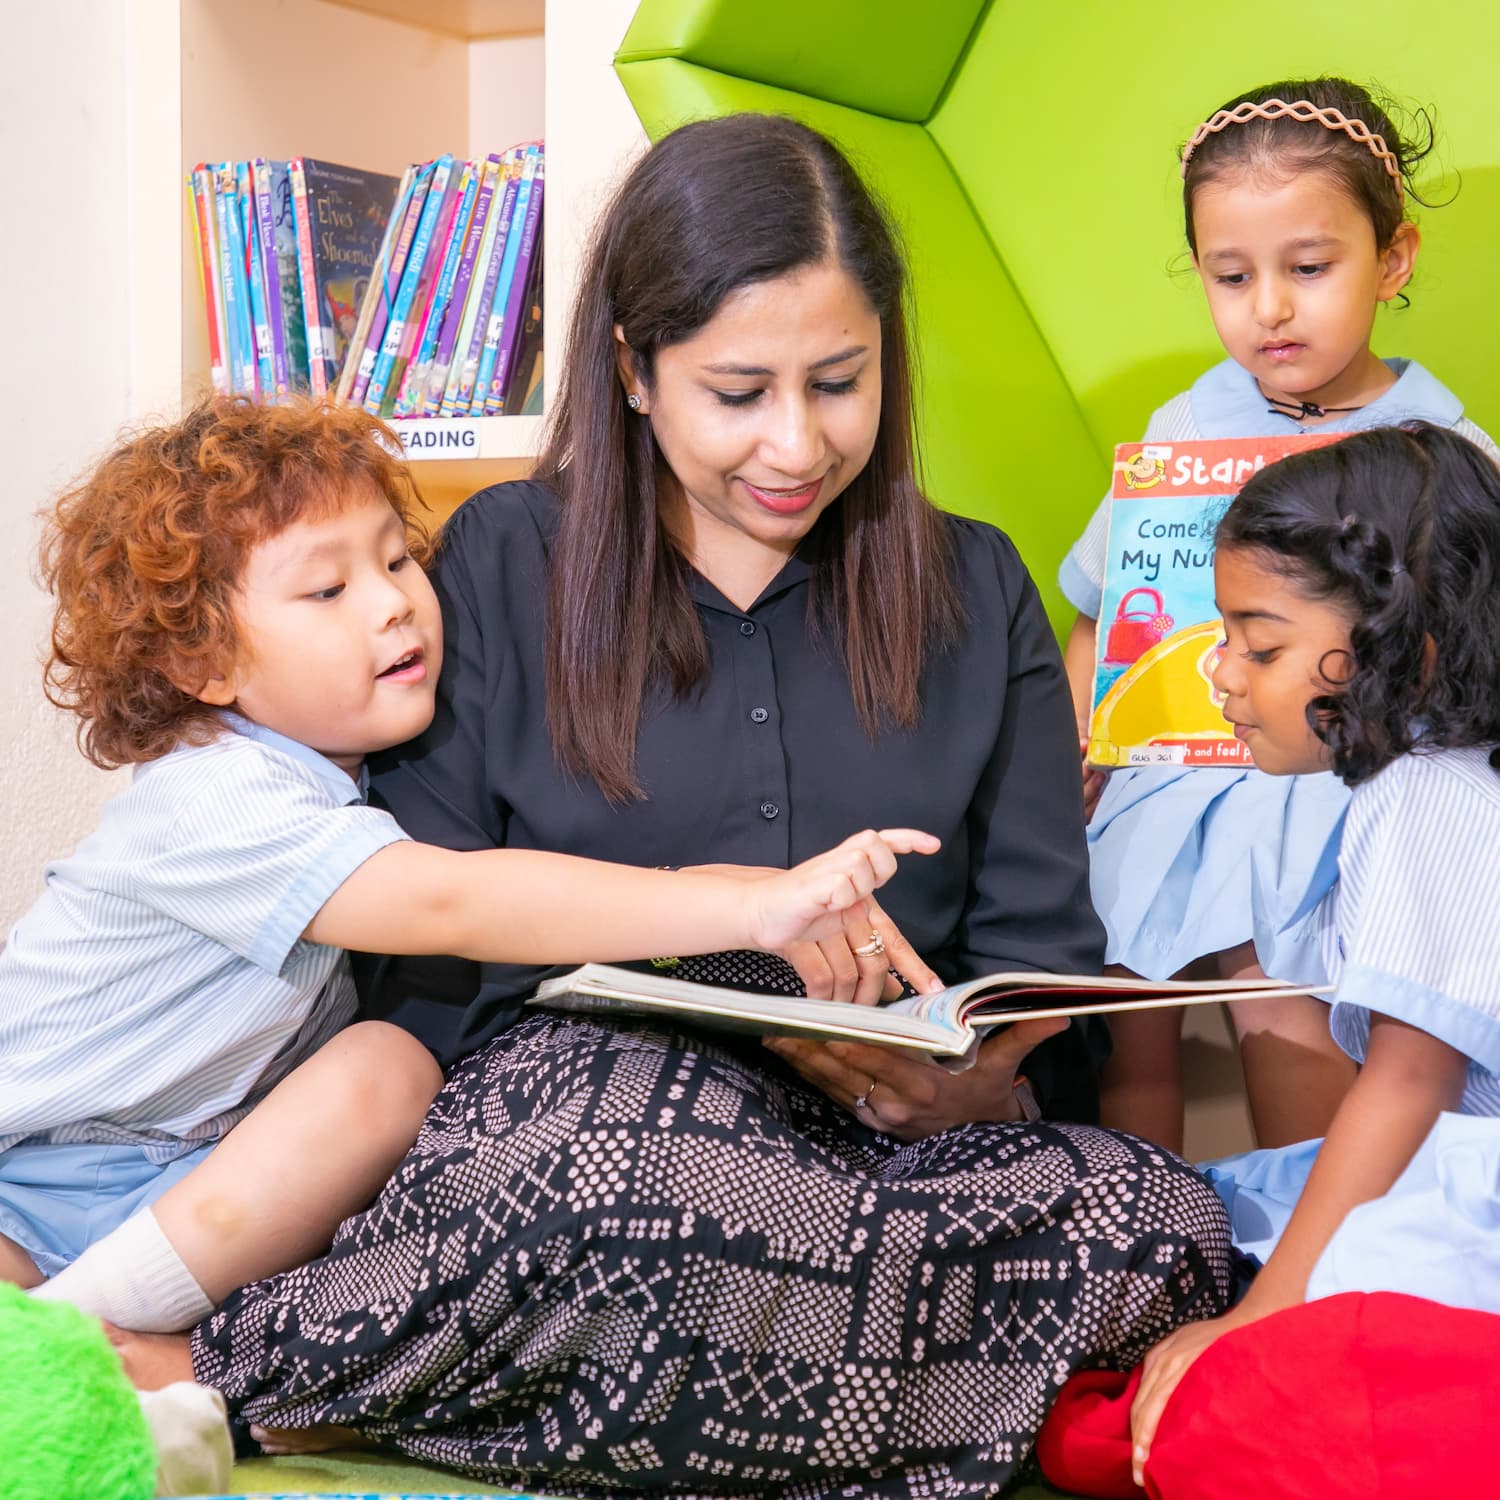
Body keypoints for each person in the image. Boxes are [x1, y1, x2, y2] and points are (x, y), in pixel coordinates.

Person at [118, 115, 1234, 1500]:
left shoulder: (975, 583)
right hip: (591, 1131)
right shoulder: (505, 561)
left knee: (1163, 1226)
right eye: (739, 392)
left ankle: (498, 1387)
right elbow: (433, 949)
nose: (797, 442)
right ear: (635, 370)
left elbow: (1036, 947)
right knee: (628, 1193)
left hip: (886, 1163)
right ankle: (243, 1370)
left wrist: (970, 1086)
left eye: (841, 382)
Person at [2, 396, 935, 1336]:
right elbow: (450, 901)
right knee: (385, 1068)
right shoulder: (213, 794)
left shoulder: (353, 784)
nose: (393, 602)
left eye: (396, 559)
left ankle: (79, 1331)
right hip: (26, 1172)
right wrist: (746, 914)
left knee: (383, 1075)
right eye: (327, 591)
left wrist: (772, 894)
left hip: (181, 1177)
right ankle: (63, 1341)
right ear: (202, 664)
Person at [1058, 76, 1500, 1152]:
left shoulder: (1438, 451)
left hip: (1331, 776)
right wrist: (1076, 743)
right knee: (1121, 1001)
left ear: (1393, 259)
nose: (1269, 308)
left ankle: (1310, 1213)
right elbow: (1105, 609)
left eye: (1308, 268)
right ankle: (1137, 1212)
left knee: (1275, 982)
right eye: (1231, 275)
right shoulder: (1182, 428)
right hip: (1173, 764)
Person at [1128, 422, 1500, 1480]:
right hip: (1447, 1167)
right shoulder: (1426, 781)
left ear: (1406, 649)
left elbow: (1411, 1079)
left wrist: (1263, 1315)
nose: (1220, 673)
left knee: (1239, 1398)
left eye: (1262, 647)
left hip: (1471, 1195)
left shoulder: (1428, 797)